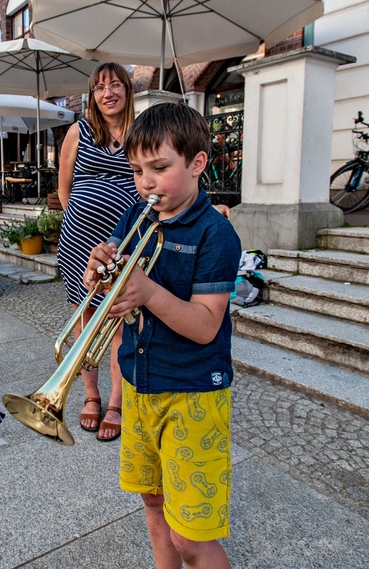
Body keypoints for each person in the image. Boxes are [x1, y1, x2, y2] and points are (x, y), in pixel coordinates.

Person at [84, 102, 241, 568]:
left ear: (196, 163)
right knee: (153, 505)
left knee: (191, 536)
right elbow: (117, 275)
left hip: (192, 394)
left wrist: (147, 291)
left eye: (159, 168)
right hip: (137, 383)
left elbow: (206, 324)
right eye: (136, 170)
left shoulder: (217, 234)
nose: (146, 182)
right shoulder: (136, 214)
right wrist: (102, 269)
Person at [57, 62, 139, 441]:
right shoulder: (79, 131)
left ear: (127, 90)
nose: (108, 93)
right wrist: (83, 216)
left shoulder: (140, 133)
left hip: (122, 243)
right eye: (100, 87)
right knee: (85, 321)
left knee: (118, 322)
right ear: (92, 95)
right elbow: (64, 187)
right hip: (79, 242)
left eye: (116, 85)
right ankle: (91, 397)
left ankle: (117, 403)